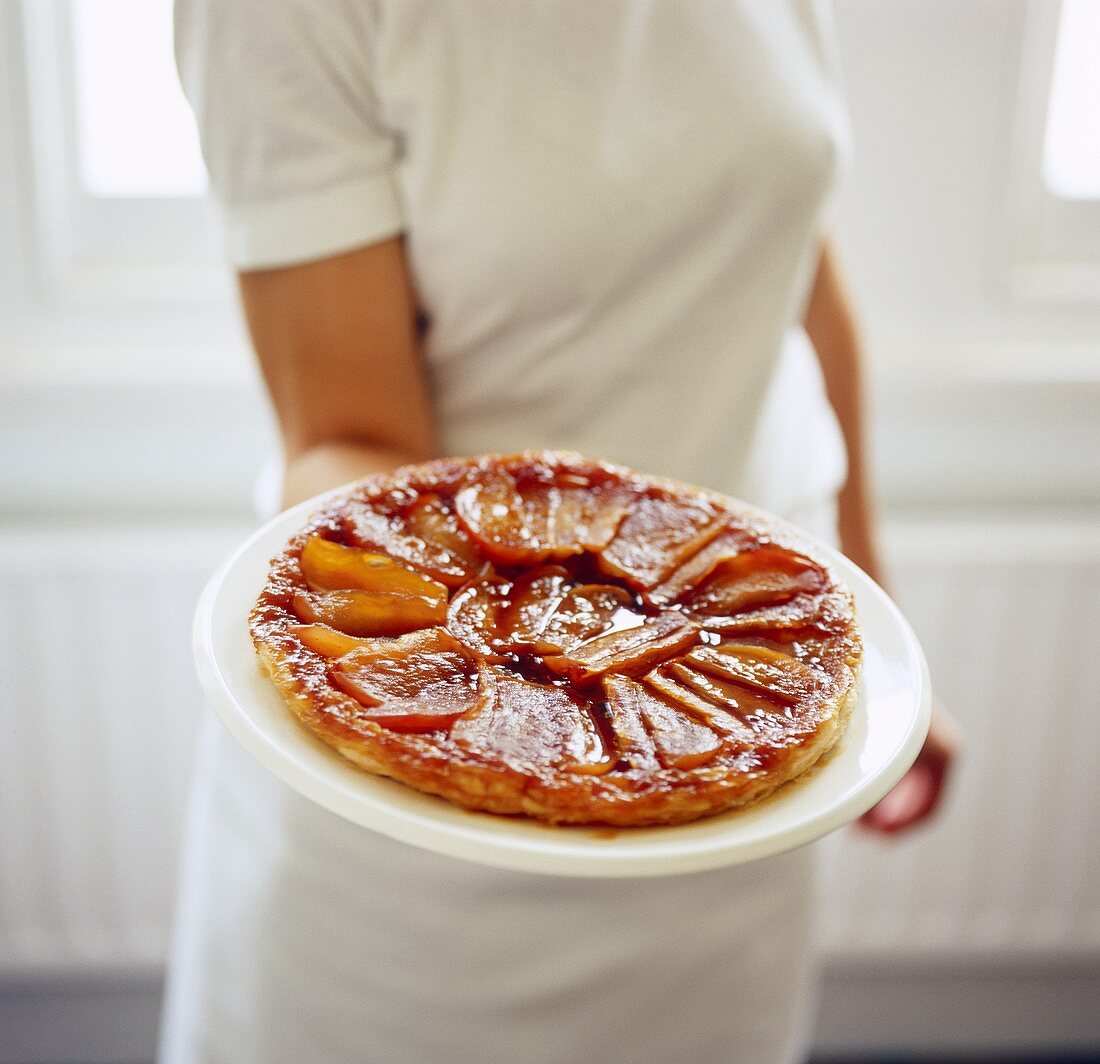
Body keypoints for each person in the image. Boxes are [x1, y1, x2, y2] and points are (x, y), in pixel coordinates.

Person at [161, 3, 958, 1061]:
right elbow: (347, 437)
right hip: (424, 818)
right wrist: (543, 686)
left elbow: (783, 245)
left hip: (740, 753)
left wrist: (866, 628)